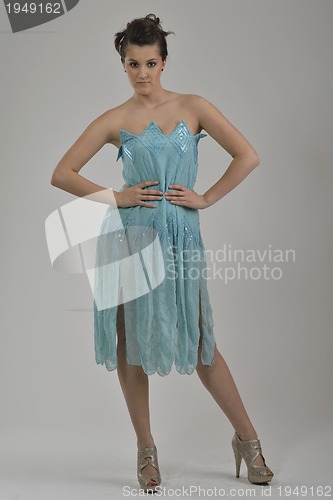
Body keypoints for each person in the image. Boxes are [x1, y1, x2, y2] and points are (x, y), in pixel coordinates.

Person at [51, 13, 274, 493]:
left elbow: (247, 155)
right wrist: (117, 196)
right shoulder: (115, 119)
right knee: (130, 343)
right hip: (129, 239)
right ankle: (146, 451)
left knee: (199, 341)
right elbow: (63, 172)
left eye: (150, 62)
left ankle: (248, 440)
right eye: (132, 64)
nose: (142, 73)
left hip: (181, 238)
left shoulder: (193, 107)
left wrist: (207, 197)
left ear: (164, 61)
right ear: (123, 64)